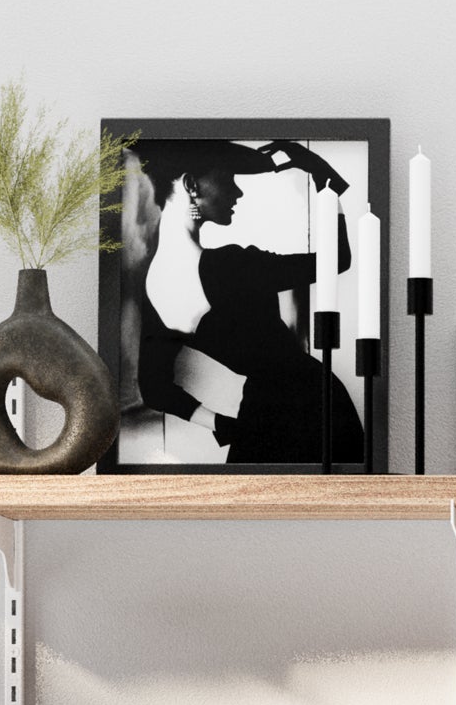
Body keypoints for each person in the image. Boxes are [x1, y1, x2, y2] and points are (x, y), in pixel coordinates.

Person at [131, 138, 364, 463]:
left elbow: (154, 387)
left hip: (261, 415)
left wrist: (224, 425)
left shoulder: (153, 285)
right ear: (191, 185)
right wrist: (324, 178)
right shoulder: (231, 266)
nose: (238, 192)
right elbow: (337, 259)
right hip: (316, 408)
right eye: (229, 179)